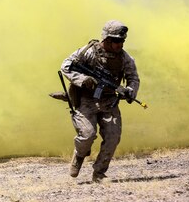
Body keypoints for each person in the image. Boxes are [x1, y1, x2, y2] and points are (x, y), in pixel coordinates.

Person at [60, 20, 140, 182]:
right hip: (86, 100)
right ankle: (80, 155)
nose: (120, 44)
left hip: (109, 101)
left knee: (113, 138)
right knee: (88, 135)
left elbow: (133, 78)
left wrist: (130, 91)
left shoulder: (124, 58)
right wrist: (83, 79)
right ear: (107, 40)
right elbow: (66, 66)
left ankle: (99, 173)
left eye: (122, 40)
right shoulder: (88, 52)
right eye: (117, 41)